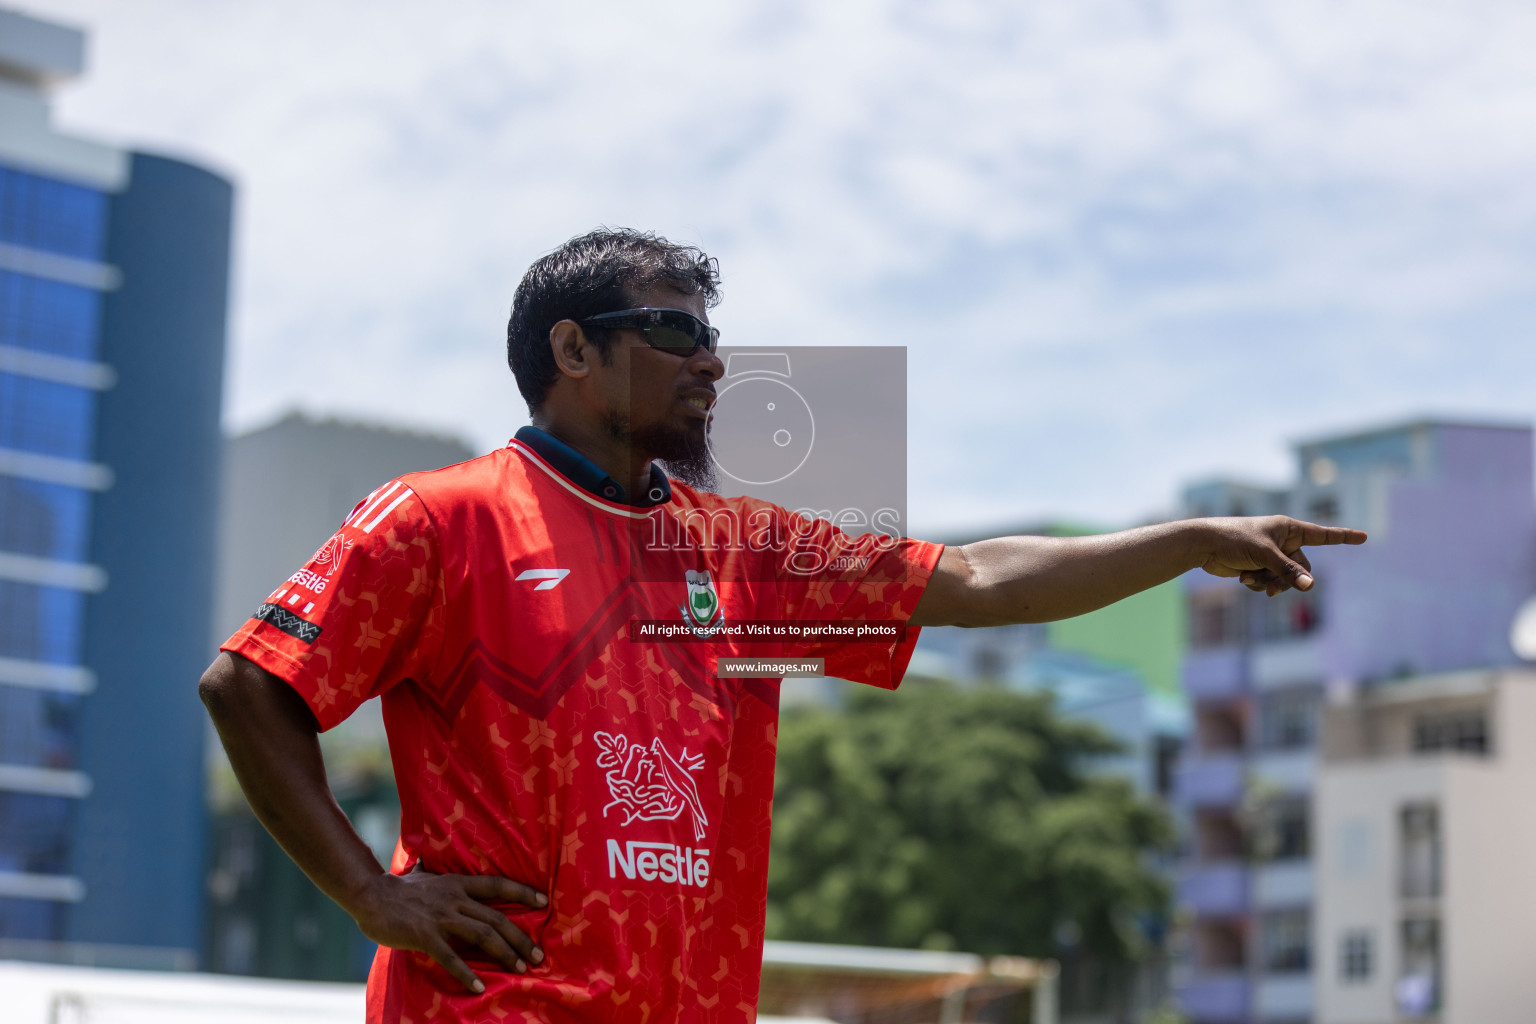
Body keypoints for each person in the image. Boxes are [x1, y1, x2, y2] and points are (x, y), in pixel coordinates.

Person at [200, 228, 1365, 1023]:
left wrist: (1184, 541)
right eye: (672, 329)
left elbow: (974, 580)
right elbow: (248, 687)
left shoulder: (743, 549)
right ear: (572, 350)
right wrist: (369, 893)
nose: (713, 360)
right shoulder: (440, 518)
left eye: (713, 334)